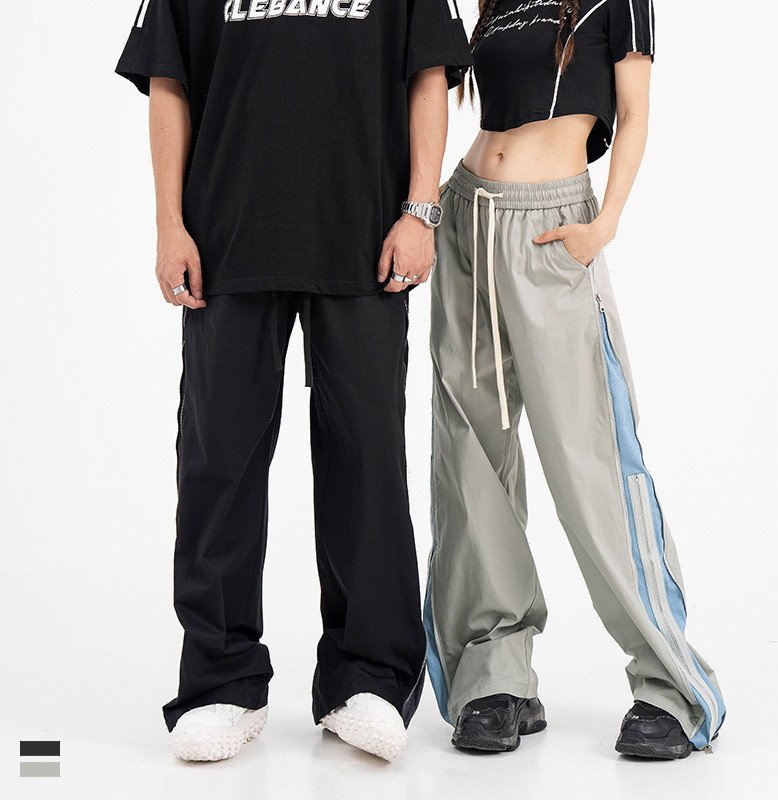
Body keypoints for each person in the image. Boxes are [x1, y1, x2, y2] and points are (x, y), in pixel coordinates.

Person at [115, 0, 471, 762]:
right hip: (227, 236)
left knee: (368, 456)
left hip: (365, 234)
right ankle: (220, 681)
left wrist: (421, 211)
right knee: (217, 459)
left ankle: (368, 678)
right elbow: (169, 81)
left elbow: (430, 72)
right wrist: (169, 223)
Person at [425, 0, 725, 759]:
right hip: (466, 218)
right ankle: (495, 677)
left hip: (553, 229)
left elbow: (635, 113)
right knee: (471, 455)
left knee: (589, 457)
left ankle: (669, 684)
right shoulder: (496, 4)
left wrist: (606, 222)